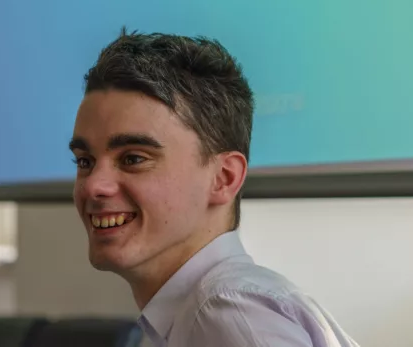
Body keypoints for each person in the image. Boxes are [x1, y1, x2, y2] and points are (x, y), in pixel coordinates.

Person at [69, 28, 360, 347]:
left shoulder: (227, 312)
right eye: (84, 162)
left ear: (224, 178)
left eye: (134, 158)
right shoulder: (214, 309)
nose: (94, 185)